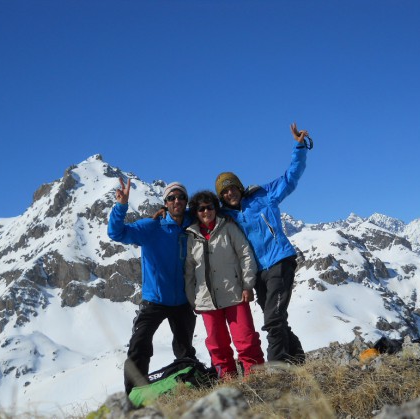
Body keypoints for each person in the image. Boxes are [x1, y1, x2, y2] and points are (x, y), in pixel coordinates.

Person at [214, 122, 311, 364]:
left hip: (279, 259)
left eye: (232, 188)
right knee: (277, 318)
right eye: (224, 192)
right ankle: (298, 361)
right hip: (257, 272)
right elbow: (199, 215)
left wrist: (299, 147)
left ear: (238, 186)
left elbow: (290, 178)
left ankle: (276, 368)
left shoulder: (262, 196)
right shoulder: (225, 217)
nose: (229, 193)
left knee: (273, 319)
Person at [107, 179, 197, 395]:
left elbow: (210, 211)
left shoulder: (192, 225)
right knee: (139, 346)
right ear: (165, 203)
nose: (177, 200)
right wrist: (121, 206)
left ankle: (189, 386)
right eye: (171, 197)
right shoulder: (151, 227)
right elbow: (116, 233)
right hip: (154, 300)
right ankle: (135, 396)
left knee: (185, 350)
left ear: (186, 201)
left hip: (182, 301)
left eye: (181, 197)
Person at [184, 191, 265, 378]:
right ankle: (227, 380)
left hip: (235, 294)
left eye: (210, 207)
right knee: (217, 345)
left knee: (246, 340)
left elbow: (246, 255)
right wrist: (192, 299)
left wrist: (247, 284)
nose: (206, 211)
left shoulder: (228, 227)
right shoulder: (191, 236)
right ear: (196, 212)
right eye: (201, 208)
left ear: (216, 208)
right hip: (206, 300)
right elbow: (189, 271)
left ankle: (257, 378)